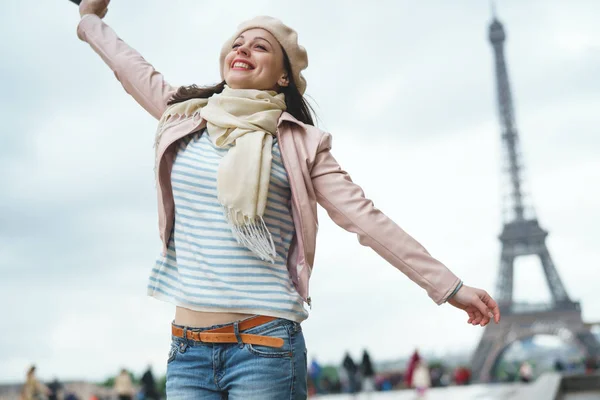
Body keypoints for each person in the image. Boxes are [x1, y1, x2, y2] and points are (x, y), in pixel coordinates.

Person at [73, 0, 501, 398]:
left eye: (260, 46)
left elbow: (366, 220)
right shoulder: (185, 115)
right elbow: (131, 67)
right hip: (188, 353)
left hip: (265, 349)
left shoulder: (300, 143)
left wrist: (450, 287)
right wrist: (90, 19)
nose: (243, 49)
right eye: (237, 43)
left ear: (283, 76)